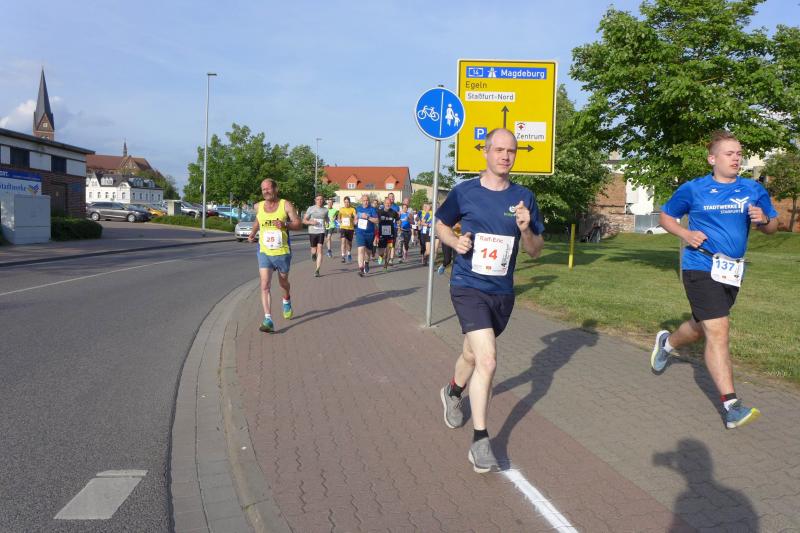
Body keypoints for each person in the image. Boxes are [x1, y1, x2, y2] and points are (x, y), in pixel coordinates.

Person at [650, 130, 778, 429]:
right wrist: (685, 233)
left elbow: (773, 226)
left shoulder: (753, 189)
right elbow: (666, 217)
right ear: (712, 159)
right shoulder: (693, 189)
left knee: (701, 327)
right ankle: (732, 407)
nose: (736, 158)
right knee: (719, 329)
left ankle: (667, 343)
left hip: (732, 271)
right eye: (729, 153)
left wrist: (763, 220)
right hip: (699, 266)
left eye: (739, 153)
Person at [436, 128, 544, 473]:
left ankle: (453, 392)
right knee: (488, 360)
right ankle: (480, 441)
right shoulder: (464, 191)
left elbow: (535, 251)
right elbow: (440, 224)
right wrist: (454, 242)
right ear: (485, 152)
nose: (505, 156)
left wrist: (526, 229)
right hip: (468, 286)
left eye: (510, 151)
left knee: (472, 353)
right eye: (498, 150)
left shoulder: (524, 197)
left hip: (502, 292)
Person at [248, 178, 303, 332]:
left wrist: (285, 224)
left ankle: (286, 299)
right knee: (265, 284)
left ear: (275, 189)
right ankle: (268, 319)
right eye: (263, 189)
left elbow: (298, 224)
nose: (266, 191)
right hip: (264, 251)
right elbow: (258, 221)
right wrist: (252, 233)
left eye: (268, 188)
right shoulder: (258, 206)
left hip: (282, 252)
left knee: (283, 282)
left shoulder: (285, 205)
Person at [303, 194, 329, 277]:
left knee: (320, 249)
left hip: (321, 231)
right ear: (315, 200)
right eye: (318, 199)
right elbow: (304, 220)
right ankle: (313, 254)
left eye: (321, 199)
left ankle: (317, 270)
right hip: (312, 232)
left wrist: (328, 222)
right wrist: (311, 222)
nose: (319, 201)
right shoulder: (311, 208)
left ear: (323, 200)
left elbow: (326, 218)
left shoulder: (325, 210)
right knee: (313, 250)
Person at [354, 194, 379, 277]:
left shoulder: (372, 209)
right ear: (361, 201)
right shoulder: (358, 209)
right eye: (364, 200)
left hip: (370, 233)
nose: (366, 202)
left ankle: (367, 263)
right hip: (360, 232)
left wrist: (368, 217)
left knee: (368, 252)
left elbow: (377, 221)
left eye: (367, 200)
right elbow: (355, 220)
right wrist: (356, 221)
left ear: (369, 201)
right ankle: (361, 269)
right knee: (360, 250)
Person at [377, 196, 400, 270]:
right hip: (381, 233)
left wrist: (399, 223)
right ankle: (380, 256)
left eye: (389, 203)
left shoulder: (393, 212)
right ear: (384, 203)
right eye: (386, 203)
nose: (388, 204)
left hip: (390, 233)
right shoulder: (379, 212)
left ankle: (385, 265)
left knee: (389, 249)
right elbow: (376, 220)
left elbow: (398, 220)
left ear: (391, 204)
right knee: (381, 251)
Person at [337, 196, 356, 263]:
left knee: (349, 243)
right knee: (343, 241)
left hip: (350, 228)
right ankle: (343, 256)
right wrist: (339, 220)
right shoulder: (341, 209)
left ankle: (349, 253)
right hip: (343, 227)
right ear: (344, 202)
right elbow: (338, 217)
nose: (346, 203)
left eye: (348, 202)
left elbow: (355, 217)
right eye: (345, 202)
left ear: (349, 202)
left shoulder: (352, 209)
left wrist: (352, 216)